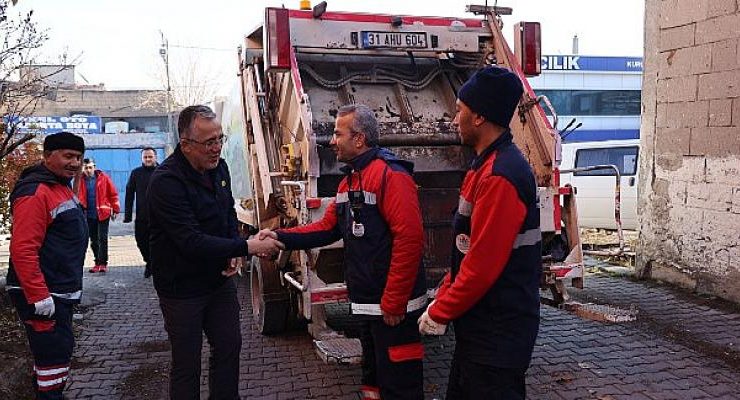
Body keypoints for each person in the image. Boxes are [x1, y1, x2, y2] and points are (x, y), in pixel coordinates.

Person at [262, 104, 427, 399]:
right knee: (374, 381)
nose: (331, 141)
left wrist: (393, 300)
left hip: (392, 311)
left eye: (338, 133)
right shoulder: (348, 182)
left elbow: (410, 239)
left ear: (359, 139)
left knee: (400, 386)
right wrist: (279, 237)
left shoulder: (391, 176)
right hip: (369, 307)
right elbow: (325, 229)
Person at [417, 66, 542, 399]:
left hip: (499, 333)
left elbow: (483, 266)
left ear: (479, 117)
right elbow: (466, 253)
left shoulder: (500, 175)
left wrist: (441, 311)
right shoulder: (484, 166)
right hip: (484, 330)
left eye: (459, 110)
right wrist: (445, 293)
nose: (454, 119)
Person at [147, 105, 283, 399]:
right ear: (185, 144)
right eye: (209, 142)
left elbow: (224, 212)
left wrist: (233, 246)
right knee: (187, 363)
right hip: (181, 288)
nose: (217, 148)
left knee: (229, 347)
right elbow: (191, 241)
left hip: (218, 281)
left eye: (220, 138)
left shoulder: (219, 167)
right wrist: (247, 247)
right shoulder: (166, 182)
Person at [5, 132, 88, 399]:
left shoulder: (58, 185)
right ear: (47, 156)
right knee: (53, 354)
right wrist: (39, 295)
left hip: (57, 290)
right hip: (44, 293)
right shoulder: (36, 191)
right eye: (67, 156)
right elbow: (23, 248)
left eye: (78, 157)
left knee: (55, 353)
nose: (74, 163)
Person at [76, 158, 120, 273]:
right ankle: (97, 262)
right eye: (86, 168)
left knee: (102, 239)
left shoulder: (103, 178)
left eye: (90, 167)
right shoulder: (79, 180)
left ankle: (103, 263)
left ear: (94, 167)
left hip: (103, 213)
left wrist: (115, 209)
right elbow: (75, 196)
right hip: (88, 215)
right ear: (82, 168)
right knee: (94, 240)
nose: (88, 170)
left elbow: (113, 194)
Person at [123, 147, 158, 278]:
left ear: (155, 157)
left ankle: (155, 265)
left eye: (150, 157)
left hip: (159, 217)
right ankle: (149, 262)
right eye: (145, 157)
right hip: (142, 216)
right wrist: (127, 215)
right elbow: (129, 194)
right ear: (142, 158)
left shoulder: (162, 172)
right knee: (141, 241)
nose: (148, 159)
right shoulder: (136, 173)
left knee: (159, 243)